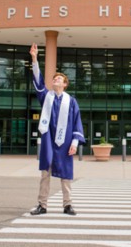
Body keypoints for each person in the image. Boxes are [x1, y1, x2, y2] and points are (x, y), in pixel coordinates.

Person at [29, 43, 85, 216]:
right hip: (48, 140)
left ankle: (67, 205)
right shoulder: (46, 97)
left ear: (65, 84)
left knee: (66, 174)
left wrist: (75, 142)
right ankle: (42, 205)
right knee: (45, 173)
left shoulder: (71, 101)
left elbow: (77, 122)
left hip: (65, 140)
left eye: (59, 79)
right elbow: (38, 82)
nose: (55, 80)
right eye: (54, 79)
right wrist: (34, 59)